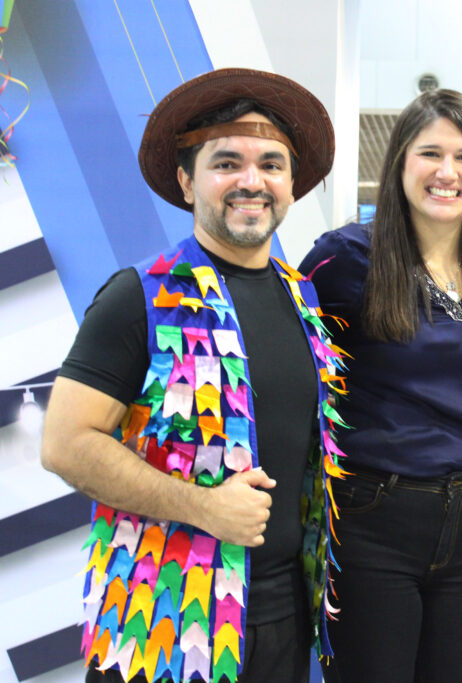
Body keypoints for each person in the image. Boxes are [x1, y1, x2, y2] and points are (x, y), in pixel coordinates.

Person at [40, 69, 345, 683]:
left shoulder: (305, 301)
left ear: (290, 185)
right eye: (226, 163)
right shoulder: (139, 297)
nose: (251, 182)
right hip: (164, 628)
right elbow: (65, 446)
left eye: (272, 165)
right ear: (187, 181)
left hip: (285, 621)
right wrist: (202, 507)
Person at [298, 88, 462, 683]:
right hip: (374, 518)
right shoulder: (344, 259)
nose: (448, 172)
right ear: (399, 163)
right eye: (430, 154)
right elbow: (292, 367)